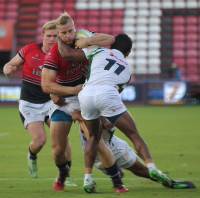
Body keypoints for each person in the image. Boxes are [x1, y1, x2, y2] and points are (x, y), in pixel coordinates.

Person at [56, 33, 174, 190]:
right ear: (128, 53)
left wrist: (58, 36)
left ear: (111, 45)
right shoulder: (127, 69)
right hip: (106, 93)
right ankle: (152, 167)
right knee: (133, 134)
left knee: (93, 139)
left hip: (86, 94)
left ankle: (87, 179)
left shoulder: (98, 51)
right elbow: (113, 95)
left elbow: (68, 54)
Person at [42, 12, 127, 193]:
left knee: (95, 140)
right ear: (58, 33)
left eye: (70, 31)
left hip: (85, 98)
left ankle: (117, 182)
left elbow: (110, 39)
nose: (68, 36)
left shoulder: (84, 37)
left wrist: (89, 41)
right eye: (63, 33)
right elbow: (46, 85)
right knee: (58, 150)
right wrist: (72, 90)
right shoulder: (53, 53)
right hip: (63, 102)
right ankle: (63, 172)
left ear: (75, 27)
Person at [2, 21, 75, 185]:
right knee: (40, 141)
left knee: (63, 139)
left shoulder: (63, 54)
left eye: (55, 36)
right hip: (29, 103)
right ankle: (32, 155)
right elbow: (10, 65)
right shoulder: (29, 50)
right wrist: (7, 69)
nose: (51, 39)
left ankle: (66, 175)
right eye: (48, 36)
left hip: (51, 102)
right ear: (42, 36)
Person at [73, 110, 196, 190]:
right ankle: (134, 164)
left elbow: (108, 124)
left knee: (140, 169)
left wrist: (81, 117)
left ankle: (170, 182)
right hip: (98, 153)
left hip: (114, 147)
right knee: (119, 173)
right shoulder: (86, 102)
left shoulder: (101, 108)